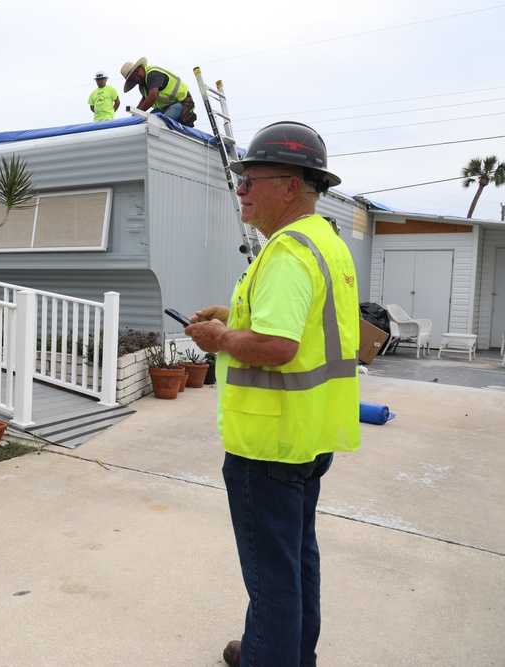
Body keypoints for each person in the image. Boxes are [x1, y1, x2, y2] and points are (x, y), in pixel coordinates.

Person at [183, 121, 361, 666]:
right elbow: (297, 329)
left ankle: (270, 655)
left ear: (292, 186)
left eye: (251, 179)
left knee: (271, 576)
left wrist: (219, 339)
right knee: (294, 561)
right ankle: (279, 651)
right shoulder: (324, 242)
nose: (240, 189)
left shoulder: (286, 253)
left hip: (268, 442)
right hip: (307, 435)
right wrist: (230, 314)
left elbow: (278, 345)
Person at [120, 57, 197, 127]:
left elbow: (152, 97)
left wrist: (137, 114)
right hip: (166, 107)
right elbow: (144, 99)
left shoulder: (152, 74)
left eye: (133, 79)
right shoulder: (142, 86)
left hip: (182, 103)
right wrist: (135, 114)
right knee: (147, 121)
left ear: (137, 72)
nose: (135, 82)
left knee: (160, 124)